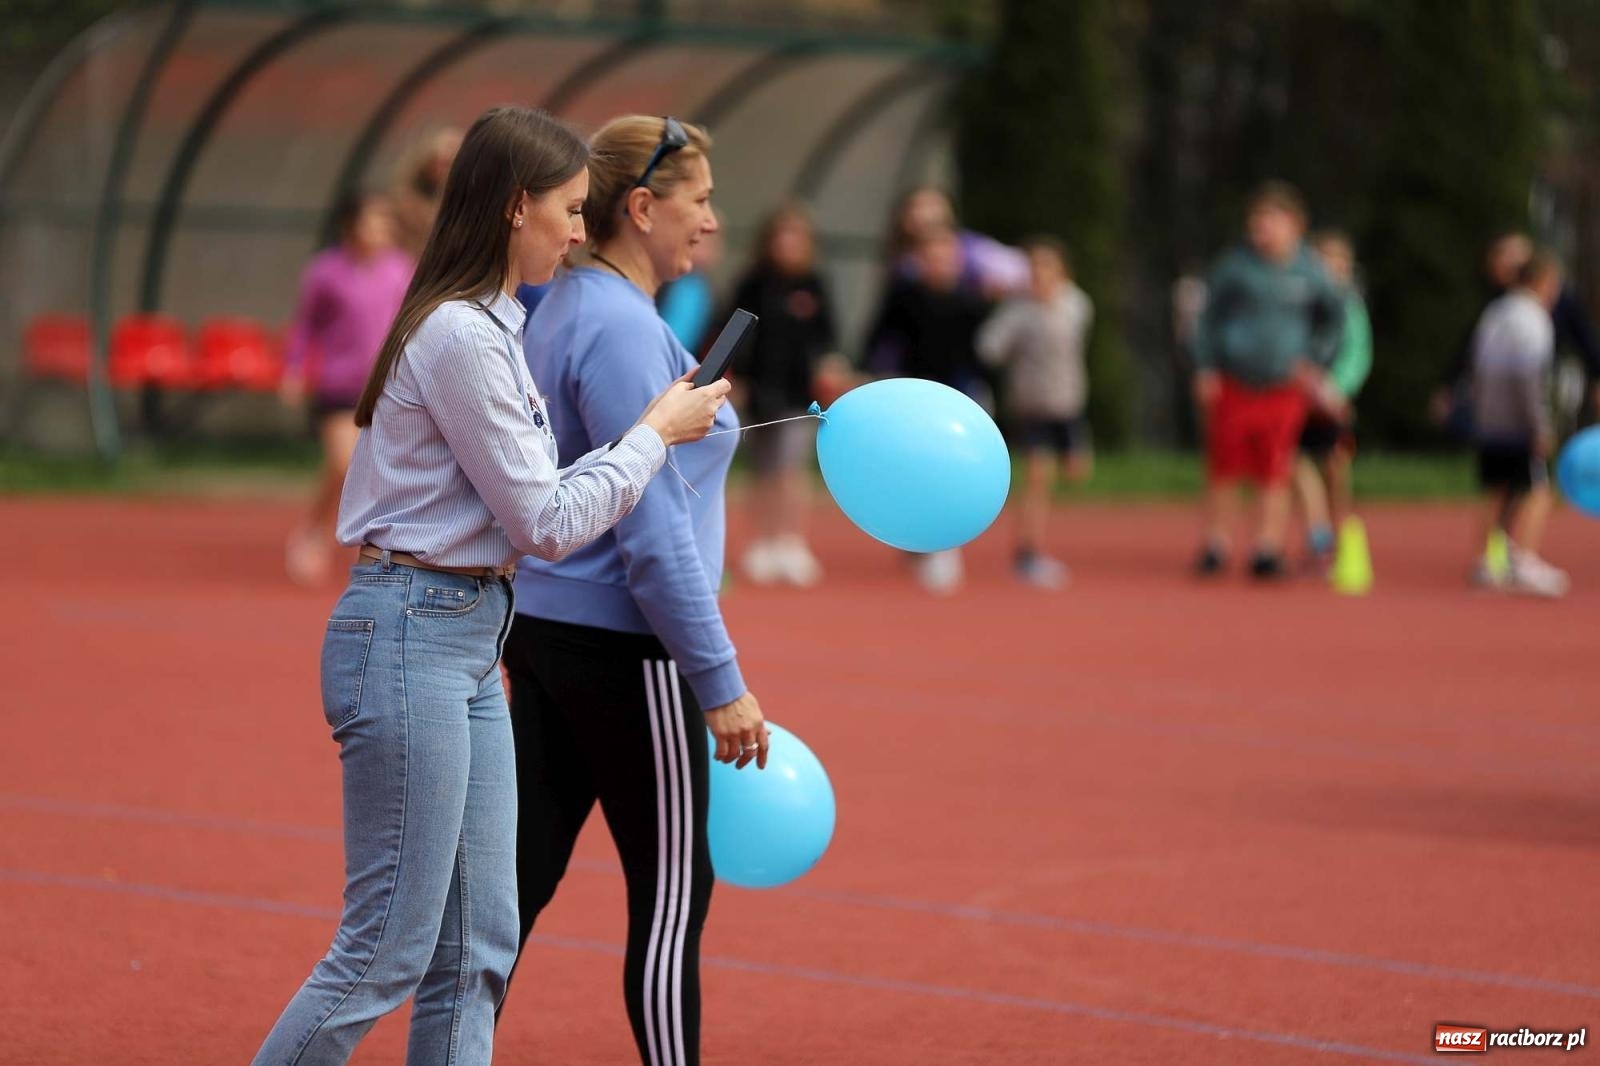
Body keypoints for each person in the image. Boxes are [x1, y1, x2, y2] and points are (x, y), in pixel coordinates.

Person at [251, 106, 731, 1066]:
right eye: (566, 209)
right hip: (413, 636)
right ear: (517, 210)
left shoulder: (499, 323)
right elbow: (545, 522)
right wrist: (653, 434)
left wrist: (647, 436)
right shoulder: (464, 336)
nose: (579, 230)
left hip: (466, 636)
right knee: (386, 949)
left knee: (475, 949)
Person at [502, 115, 769, 1066]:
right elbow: (653, 537)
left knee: (516, 883)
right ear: (644, 208)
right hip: (626, 646)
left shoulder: (565, 306)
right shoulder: (618, 328)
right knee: (671, 894)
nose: (710, 221)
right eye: (698, 200)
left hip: (542, 631)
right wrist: (720, 680)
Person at [1191, 181, 1344, 580]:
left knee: (1275, 466)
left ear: (1294, 224)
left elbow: (1335, 319)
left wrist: (1314, 362)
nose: (1261, 229)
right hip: (1235, 380)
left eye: (1270, 220)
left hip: (1283, 386)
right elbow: (1206, 320)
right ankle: (1216, 543)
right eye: (1256, 221)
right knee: (1225, 465)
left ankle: (1266, 546)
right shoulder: (1235, 268)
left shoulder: (1311, 272)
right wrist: (1205, 366)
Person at [279, 191, 413, 585]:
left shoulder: (400, 269)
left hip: (385, 386)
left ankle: (384, 548)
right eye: (373, 219)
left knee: (383, 472)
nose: (381, 228)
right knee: (343, 463)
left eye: (385, 220)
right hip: (337, 386)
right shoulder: (325, 271)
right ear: (351, 225)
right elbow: (305, 326)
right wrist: (293, 368)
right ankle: (312, 530)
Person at [864, 226, 993, 593]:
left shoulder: (971, 302)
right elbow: (879, 338)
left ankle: (944, 543)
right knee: (912, 470)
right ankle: (916, 539)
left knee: (953, 474)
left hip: (959, 399)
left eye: (946, 257)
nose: (939, 264)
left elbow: (982, 356)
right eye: (931, 257)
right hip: (913, 399)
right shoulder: (904, 297)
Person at [726, 202, 838, 587]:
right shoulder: (752, 283)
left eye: (797, 236)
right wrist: (736, 377)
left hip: (800, 393)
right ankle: (762, 542)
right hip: (760, 390)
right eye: (782, 235)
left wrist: (830, 366)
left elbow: (828, 337)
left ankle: (791, 541)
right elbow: (735, 332)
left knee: (792, 468)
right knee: (764, 468)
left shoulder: (815, 285)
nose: (789, 244)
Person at [976, 235, 1094, 589]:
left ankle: (1033, 545)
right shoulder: (1017, 310)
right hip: (1031, 406)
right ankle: (1026, 552)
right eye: (1034, 267)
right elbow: (988, 349)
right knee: (1037, 479)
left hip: (1068, 404)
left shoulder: (1077, 304)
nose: (1040, 274)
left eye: (1048, 266)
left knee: (1074, 473)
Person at [1467, 252, 1570, 597]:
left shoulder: (1495, 312)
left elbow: (1477, 366)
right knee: (1539, 491)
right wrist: (1539, 425)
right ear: (1542, 282)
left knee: (1496, 489)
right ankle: (1523, 558)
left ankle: (1486, 560)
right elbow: (1529, 377)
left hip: (1489, 417)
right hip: (1516, 420)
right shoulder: (1533, 320)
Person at [1434, 231, 1600, 437]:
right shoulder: (1508, 311)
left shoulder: (1528, 311)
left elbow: (1585, 340)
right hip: (1508, 412)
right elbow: (1473, 350)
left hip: (1506, 411)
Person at [1293, 230, 1372, 568]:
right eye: (1321, 260)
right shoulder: (1298, 301)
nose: (1328, 268)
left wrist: (1337, 388)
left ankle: (1340, 533)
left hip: (1332, 399)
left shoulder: (1349, 305)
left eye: (1336, 261)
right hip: (1297, 397)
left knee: (1335, 465)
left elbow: (1358, 353)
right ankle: (1318, 533)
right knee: (1291, 462)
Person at [392, 126, 463, 259]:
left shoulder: (465, 203)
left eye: (448, 163)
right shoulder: (406, 200)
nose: (441, 169)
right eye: (437, 161)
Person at [657, 213, 724, 353]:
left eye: (712, 242)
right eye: (700, 241)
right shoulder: (669, 283)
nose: (707, 249)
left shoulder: (705, 289)